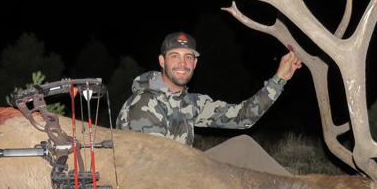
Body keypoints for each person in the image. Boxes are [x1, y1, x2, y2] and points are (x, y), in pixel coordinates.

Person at [116, 31, 301, 146]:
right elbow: (157, 169)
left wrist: (280, 78)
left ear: (195, 63)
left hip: (184, 173)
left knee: (244, 147)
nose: (183, 63)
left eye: (188, 57)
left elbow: (244, 117)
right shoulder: (143, 104)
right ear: (162, 61)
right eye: (175, 56)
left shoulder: (192, 102)